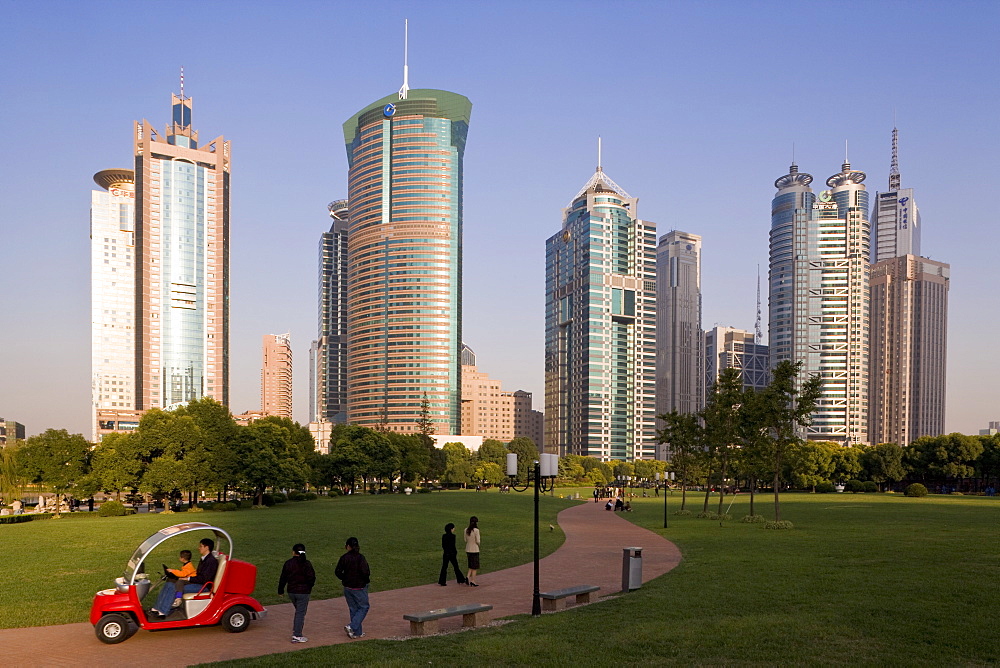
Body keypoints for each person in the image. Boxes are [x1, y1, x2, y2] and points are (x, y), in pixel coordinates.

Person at [151, 538, 218, 618]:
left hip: (204, 586)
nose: (199, 548)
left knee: (173, 587)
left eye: (201, 546)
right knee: (169, 583)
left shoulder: (211, 561)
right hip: (198, 582)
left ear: (207, 547)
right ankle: (157, 608)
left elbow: (204, 579)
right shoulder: (204, 558)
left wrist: (188, 579)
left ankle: (163, 612)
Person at [278, 543, 316, 643]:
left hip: (292, 591)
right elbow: (312, 578)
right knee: (300, 613)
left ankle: (297, 631)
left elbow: (283, 578)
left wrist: (280, 590)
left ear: (293, 552)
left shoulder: (288, 563)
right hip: (304, 592)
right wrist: (309, 587)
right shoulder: (307, 564)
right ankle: (297, 634)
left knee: (299, 611)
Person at [335, 537, 370, 639]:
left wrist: (344, 579)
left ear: (348, 546)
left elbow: (337, 571)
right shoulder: (360, 558)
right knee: (364, 607)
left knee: (353, 608)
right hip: (359, 587)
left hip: (348, 587)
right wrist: (365, 582)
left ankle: (357, 632)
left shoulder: (344, 558)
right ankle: (352, 626)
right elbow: (366, 572)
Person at [464, 516, 481, 586]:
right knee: (474, 566)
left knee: (471, 564)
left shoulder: (466, 530)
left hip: (468, 549)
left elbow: (465, 540)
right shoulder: (476, 530)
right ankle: (473, 580)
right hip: (475, 549)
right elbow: (478, 541)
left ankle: (468, 577)